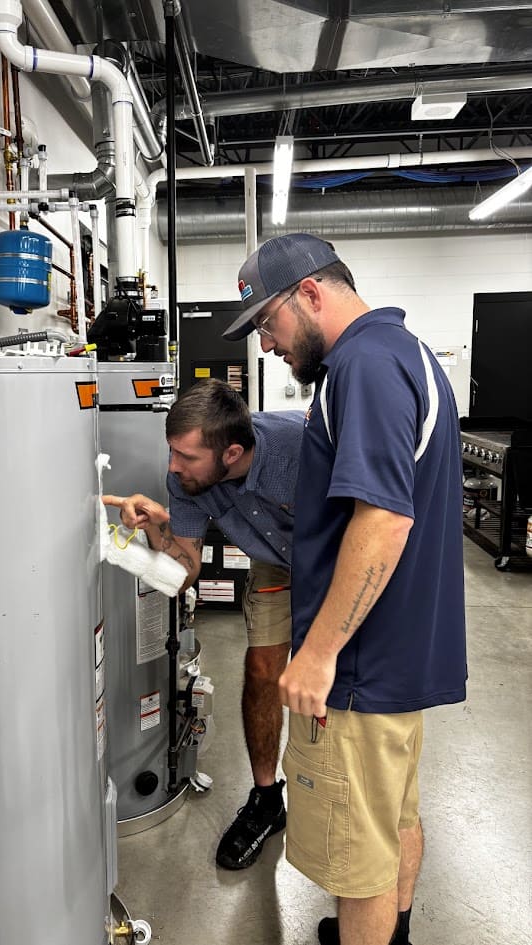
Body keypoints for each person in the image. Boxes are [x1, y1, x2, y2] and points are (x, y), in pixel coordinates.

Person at [224, 233, 467, 945]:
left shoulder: (361, 366)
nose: (266, 343)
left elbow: (383, 518)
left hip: (357, 669)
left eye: (267, 321)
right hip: (397, 656)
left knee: (358, 867)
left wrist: (320, 651)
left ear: (310, 293)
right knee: (392, 821)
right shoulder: (405, 353)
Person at [103, 378, 305, 870]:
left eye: (186, 456)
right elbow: (185, 572)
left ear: (232, 453)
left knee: (337, 685)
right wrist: (156, 526)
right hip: (276, 564)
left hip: (335, 557)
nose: (172, 466)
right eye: (171, 451)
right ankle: (266, 800)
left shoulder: (301, 447)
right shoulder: (186, 481)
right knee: (262, 670)